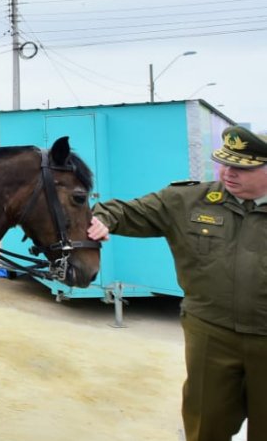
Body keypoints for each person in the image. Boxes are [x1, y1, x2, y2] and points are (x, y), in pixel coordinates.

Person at [87, 124, 267, 441]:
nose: (228, 173)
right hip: (211, 335)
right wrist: (101, 218)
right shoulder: (189, 200)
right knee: (205, 425)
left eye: (241, 167)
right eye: (224, 162)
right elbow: (125, 212)